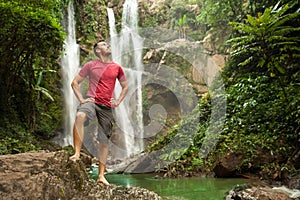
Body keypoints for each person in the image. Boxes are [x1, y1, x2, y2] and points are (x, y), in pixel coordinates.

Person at [69, 40, 128, 186]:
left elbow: (125, 86)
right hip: (92, 101)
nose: (108, 45)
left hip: (107, 105)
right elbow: (74, 82)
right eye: (103, 44)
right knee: (80, 116)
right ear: (97, 50)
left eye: (107, 44)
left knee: (104, 140)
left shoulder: (117, 67)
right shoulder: (90, 65)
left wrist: (118, 101)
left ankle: (101, 175)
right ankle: (76, 153)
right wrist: (82, 99)